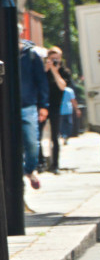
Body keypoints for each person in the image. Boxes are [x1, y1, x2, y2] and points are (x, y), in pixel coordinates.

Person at [18, 23, 48, 190]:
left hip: (28, 105)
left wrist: (43, 105)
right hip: (7, 108)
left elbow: (41, 81)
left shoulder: (31, 55)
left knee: (31, 142)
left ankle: (29, 170)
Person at [44, 45, 72, 173]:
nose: (55, 61)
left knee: (55, 137)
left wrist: (55, 71)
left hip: (55, 106)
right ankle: (41, 162)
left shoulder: (64, 71)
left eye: (57, 58)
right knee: (38, 134)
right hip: (43, 105)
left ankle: (55, 164)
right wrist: (46, 69)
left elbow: (62, 86)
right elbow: (38, 82)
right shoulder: (44, 70)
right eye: (52, 58)